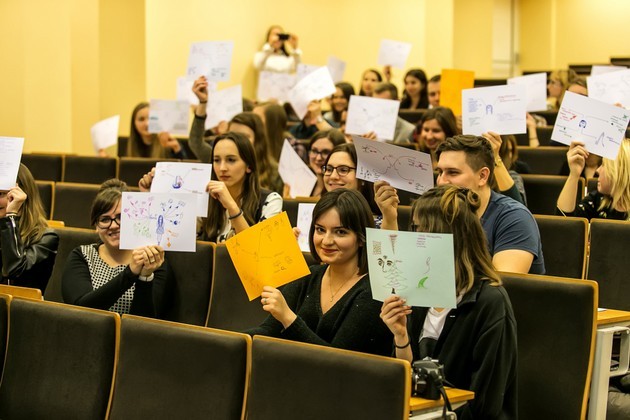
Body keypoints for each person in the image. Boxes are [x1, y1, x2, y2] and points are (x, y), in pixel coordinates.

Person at [380, 185, 517, 419]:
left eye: (422, 230)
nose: (413, 239)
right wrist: (401, 337)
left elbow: (486, 406)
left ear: (450, 239)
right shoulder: (418, 290)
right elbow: (406, 383)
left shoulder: (490, 302)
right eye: (414, 228)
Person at [247, 188, 393, 356]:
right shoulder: (308, 276)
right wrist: (227, 340)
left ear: (361, 238)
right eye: (320, 230)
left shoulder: (373, 292)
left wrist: (288, 317)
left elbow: (338, 361)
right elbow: (267, 330)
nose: (326, 240)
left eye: (340, 232)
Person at [377, 134, 545, 274]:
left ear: (482, 176)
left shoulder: (515, 218)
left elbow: (503, 286)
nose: (442, 181)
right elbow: (402, 270)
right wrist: (390, 218)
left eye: (453, 173)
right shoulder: (437, 210)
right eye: (440, 172)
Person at [142, 130, 283, 242]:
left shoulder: (270, 200)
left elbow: (260, 254)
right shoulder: (204, 198)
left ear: (249, 166)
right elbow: (173, 239)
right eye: (216, 160)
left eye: (231, 160)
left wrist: (231, 206)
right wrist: (152, 195)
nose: (222, 168)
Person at [61, 179, 173, 317]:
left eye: (121, 217)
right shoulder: (82, 255)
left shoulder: (153, 260)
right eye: (105, 219)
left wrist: (145, 277)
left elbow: (144, 325)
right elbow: (81, 310)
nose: (113, 225)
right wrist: (130, 273)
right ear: (96, 226)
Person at [188, 76, 284, 194]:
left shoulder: (275, 173)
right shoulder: (221, 160)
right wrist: (202, 103)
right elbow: (195, 142)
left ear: (258, 140)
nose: (223, 167)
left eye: (245, 136)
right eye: (233, 136)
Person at [0, 163, 58, 292]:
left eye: (1, 194)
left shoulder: (46, 238)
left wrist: (10, 216)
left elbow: (13, 270)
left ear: (22, 197)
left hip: (19, 309)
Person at [556, 139, 630, 220]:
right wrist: (574, 174)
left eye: (604, 165)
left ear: (619, 172)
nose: (597, 170)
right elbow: (563, 222)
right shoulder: (598, 199)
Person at [302, 129, 346, 198]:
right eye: (314, 151)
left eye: (325, 152)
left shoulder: (341, 189)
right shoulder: (303, 182)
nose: (318, 158)